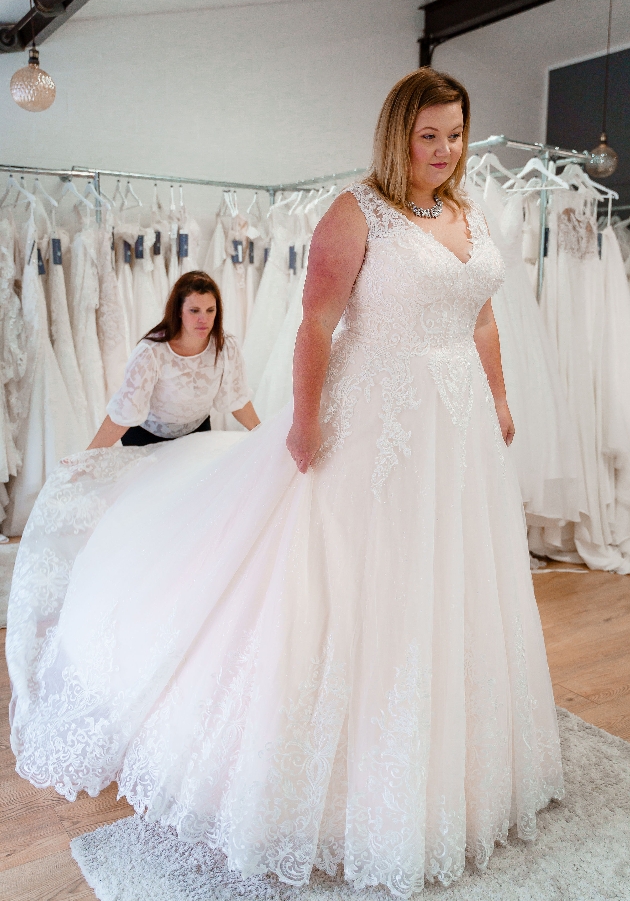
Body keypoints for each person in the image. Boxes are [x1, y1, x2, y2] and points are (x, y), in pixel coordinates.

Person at [7, 69, 563, 897]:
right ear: (398, 135)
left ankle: (455, 762)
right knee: (350, 577)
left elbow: (481, 318)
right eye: (429, 136)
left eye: (455, 134)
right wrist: (303, 421)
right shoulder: (356, 212)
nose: (445, 151)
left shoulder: (470, 217)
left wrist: (503, 396)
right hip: (377, 415)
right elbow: (315, 323)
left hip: (459, 431)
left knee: (449, 576)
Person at [88, 271, 260, 448]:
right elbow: (124, 413)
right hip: (146, 440)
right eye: (194, 311)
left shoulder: (225, 347)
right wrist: (88, 458)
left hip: (196, 435)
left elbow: (237, 400)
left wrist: (262, 435)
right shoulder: (151, 352)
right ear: (179, 311)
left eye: (210, 310)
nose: (204, 319)